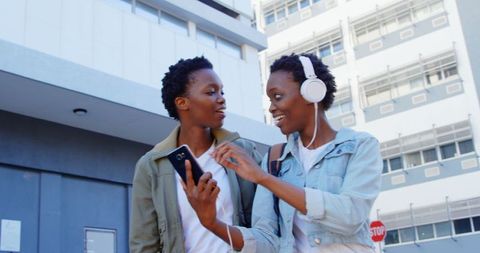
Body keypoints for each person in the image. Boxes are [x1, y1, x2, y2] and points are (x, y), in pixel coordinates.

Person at [184, 53, 383, 252]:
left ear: (311, 92)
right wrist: (211, 223)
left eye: (277, 97)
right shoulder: (274, 160)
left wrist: (264, 178)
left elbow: (350, 217)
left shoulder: (360, 146)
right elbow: (266, 241)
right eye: (270, 100)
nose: (271, 108)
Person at [129, 56, 261, 253]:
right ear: (182, 102)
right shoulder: (151, 165)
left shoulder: (243, 151)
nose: (221, 98)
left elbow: (267, 227)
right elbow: (144, 244)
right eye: (211, 92)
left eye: (221, 91)